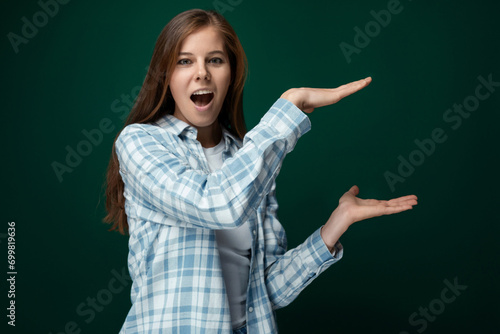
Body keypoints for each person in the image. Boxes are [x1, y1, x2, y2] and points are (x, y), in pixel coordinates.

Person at [103, 8, 418, 334]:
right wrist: (289, 106)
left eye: (215, 60)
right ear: (165, 75)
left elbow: (264, 291)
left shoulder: (248, 159)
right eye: (185, 61)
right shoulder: (141, 142)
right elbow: (217, 205)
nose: (202, 73)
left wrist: (334, 227)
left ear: (231, 73)